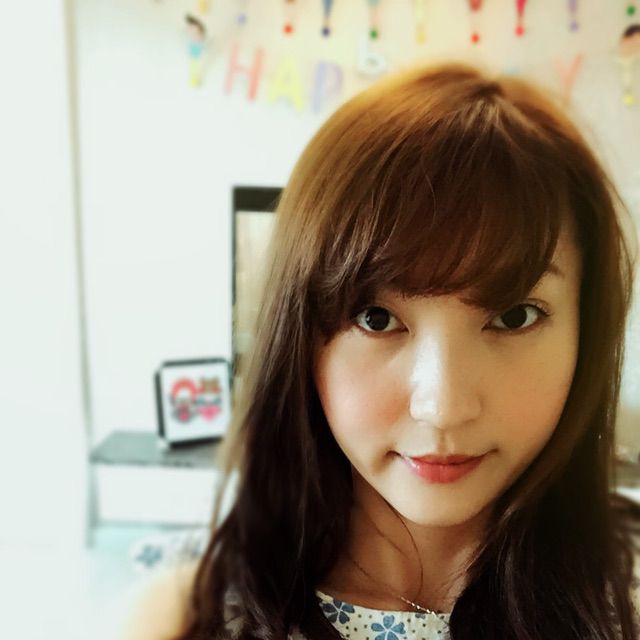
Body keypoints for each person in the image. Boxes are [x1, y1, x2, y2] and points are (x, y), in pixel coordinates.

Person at [120, 60, 640, 639]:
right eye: (376, 319)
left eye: (514, 316)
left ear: (586, 331)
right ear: (301, 337)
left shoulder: (624, 601)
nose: (442, 408)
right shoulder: (187, 614)